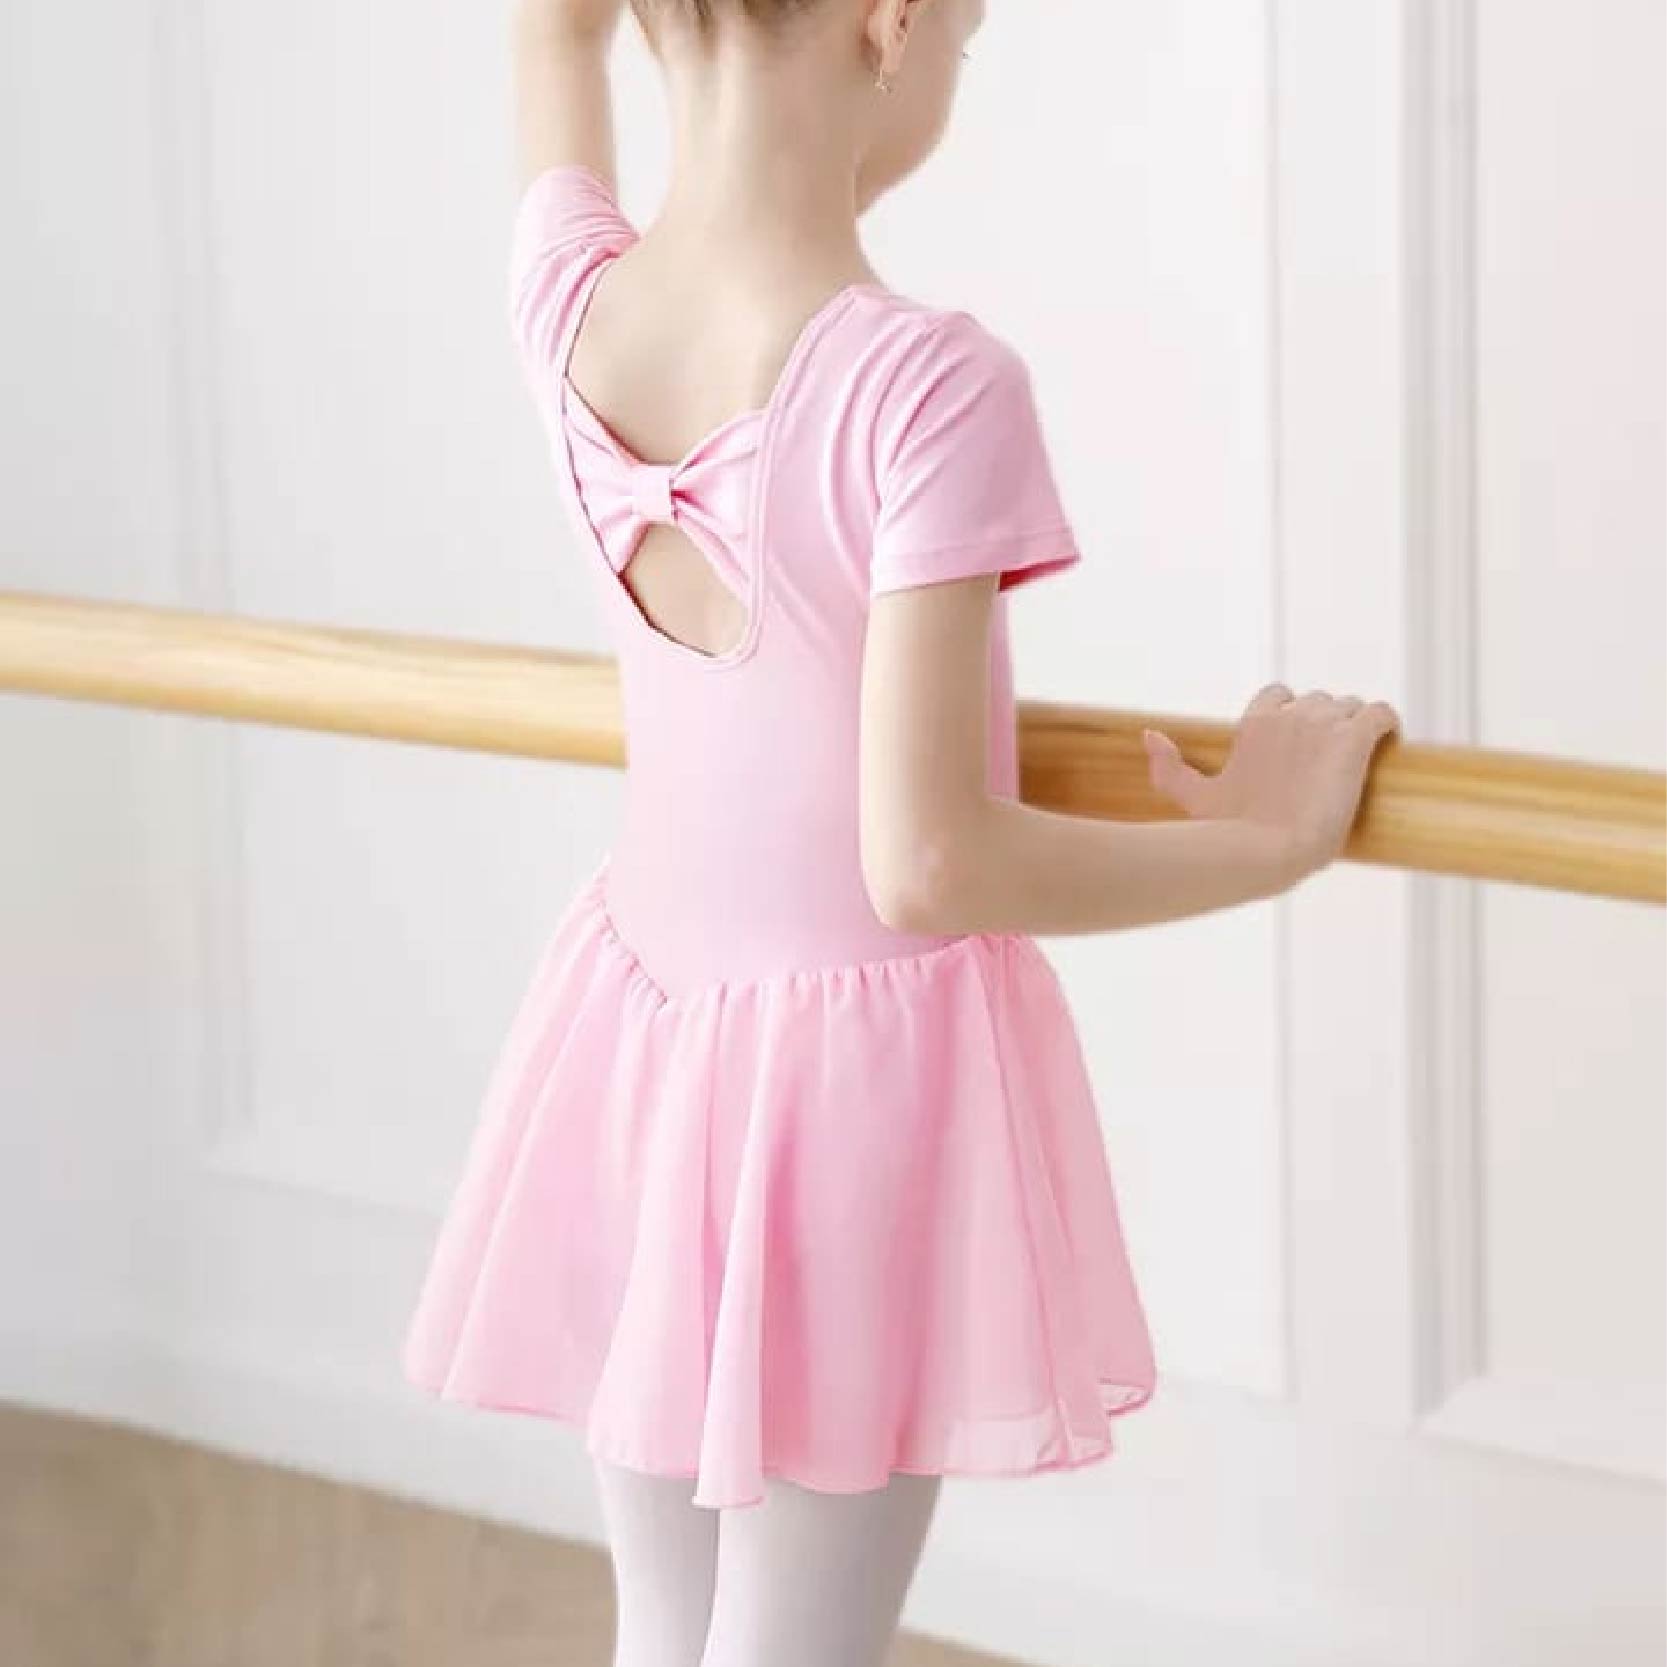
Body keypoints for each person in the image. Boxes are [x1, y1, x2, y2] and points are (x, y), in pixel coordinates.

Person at [401, 3, 1401, 1664]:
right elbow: (927, 860)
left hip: (644, 1057)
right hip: (837, 1114)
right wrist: (1267, 841)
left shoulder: (576, 312)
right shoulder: (923, 386)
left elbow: (545, 55)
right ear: (888, 19)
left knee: (667, 1622)